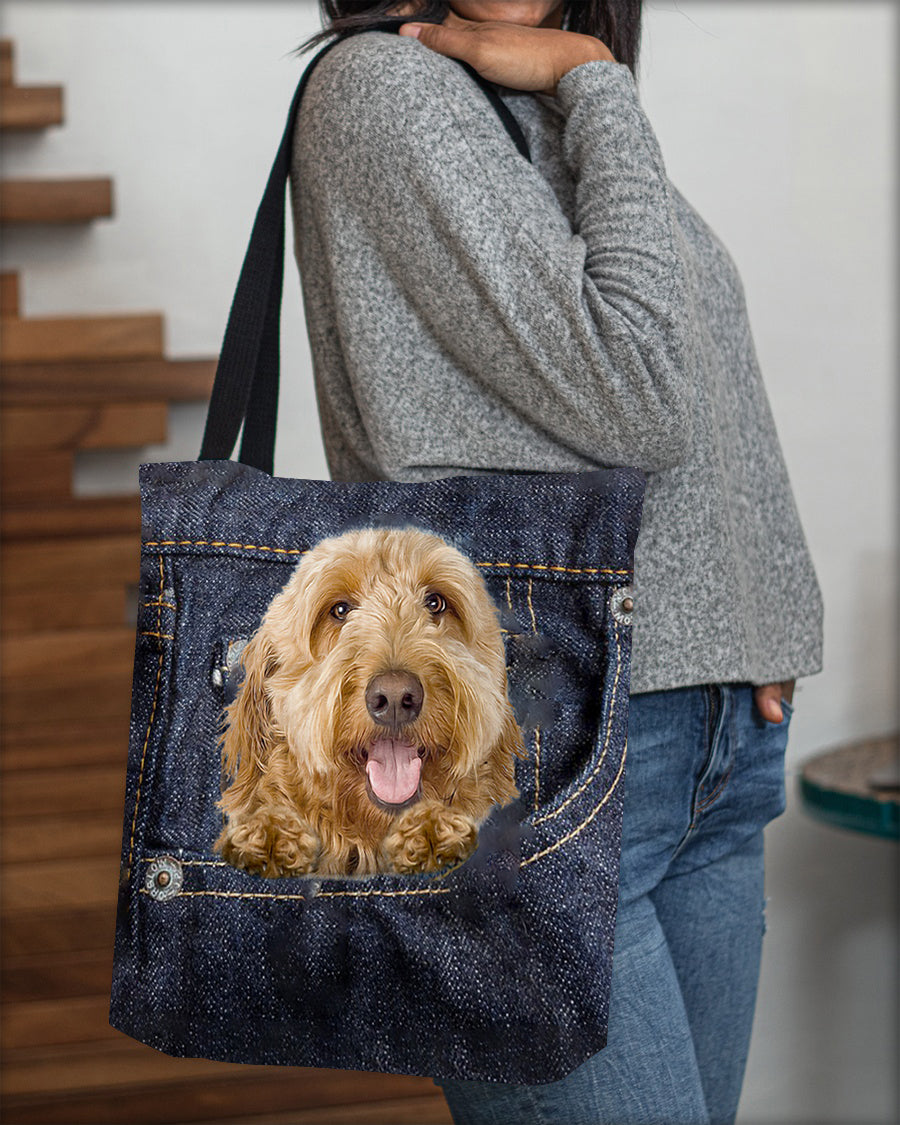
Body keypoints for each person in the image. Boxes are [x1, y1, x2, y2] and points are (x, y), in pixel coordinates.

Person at [288, 2, 824, 1122]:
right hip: (544, 763)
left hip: (705, 749)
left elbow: (702, 367)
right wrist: (598, 78)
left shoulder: (534, 98)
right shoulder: (388, 90)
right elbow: (640, 392)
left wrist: (752, 630)